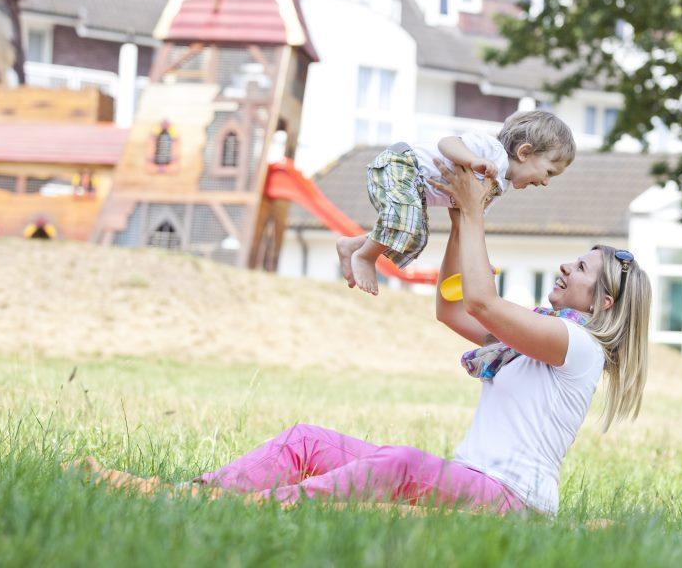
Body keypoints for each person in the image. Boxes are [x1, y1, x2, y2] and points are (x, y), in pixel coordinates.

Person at [72, 160, 651, 516]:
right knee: (308, 441)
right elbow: (453, 306)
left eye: (580, 270)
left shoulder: (579, 349)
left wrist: (478, 214)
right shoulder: (535, 335)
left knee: (398, 460)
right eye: (573, 262)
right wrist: (456, 216)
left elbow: (479, 300)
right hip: (473, 481)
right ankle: (195, 494)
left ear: (603, 302)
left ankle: (256, 510)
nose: (566, 271)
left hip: (510, 499)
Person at [336, 110, 576, 295]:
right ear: (524, 152)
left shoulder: (496, 188)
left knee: (416, 238)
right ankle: (366, 256)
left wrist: (480, 263)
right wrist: (472, 160)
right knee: (405, 218)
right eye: (549, 172)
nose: (546, 182)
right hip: (402, 164)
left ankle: (353, 246)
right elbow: (447, 143)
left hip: (414, 189)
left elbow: (469, 225)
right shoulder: (492, 151)